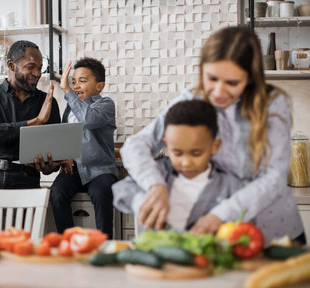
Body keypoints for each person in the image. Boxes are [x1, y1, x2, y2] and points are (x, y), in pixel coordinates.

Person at [120, 26, 305, 245]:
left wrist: (220, 215)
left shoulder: (272, 104)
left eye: (232, 83)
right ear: (202, 72)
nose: (218, 92)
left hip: (273, 231)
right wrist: (155, 184)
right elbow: (135, 145)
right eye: (212, 78)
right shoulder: (192, 98)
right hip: (219, 232)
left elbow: (274, 179)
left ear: (251, 78)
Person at [113, 100, 243, 232]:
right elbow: (122, 189)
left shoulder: (229, 184)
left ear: (215, 147)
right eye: (177, 153)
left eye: (196, 153)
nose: (186, 163)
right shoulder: (160, 172)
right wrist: (140, 201)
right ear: (167, 144)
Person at [0, 40, 64, 189]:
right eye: (31, 67)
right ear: (11, 65)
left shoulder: (47, 102)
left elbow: (53, 153)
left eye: (40, 68)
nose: (37, 73)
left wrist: (49, 167)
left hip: (27, 178)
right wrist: (37, 121)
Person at [49, 58, 119, 238]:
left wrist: (66, 90)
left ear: (99, 86)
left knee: (102, 193)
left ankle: (104, 244)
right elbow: (65, 136)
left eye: (82, 81)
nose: (75, 86)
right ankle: (70, 241)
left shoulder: (105, 105)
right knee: (56, 193)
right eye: (73, 82)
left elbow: (89, 119)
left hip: (100, 170)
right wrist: (64, 157)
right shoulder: (70, 108)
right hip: (74, 169)